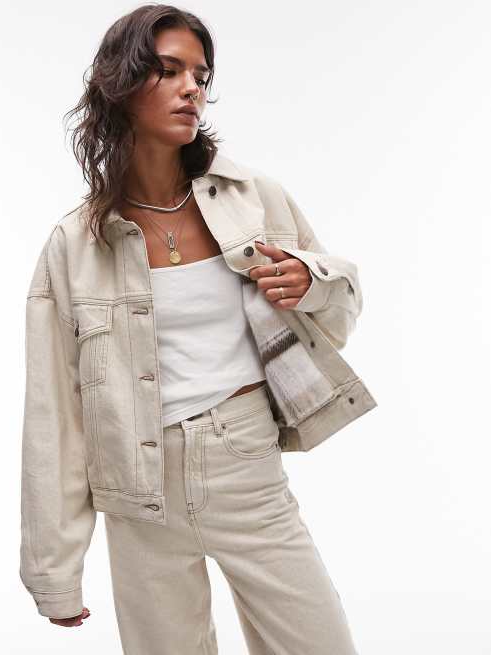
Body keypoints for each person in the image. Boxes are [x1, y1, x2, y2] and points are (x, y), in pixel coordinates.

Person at [19, 4, 377, 654]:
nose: (192, 88)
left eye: (200, 75)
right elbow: (54, 413)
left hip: (245, 462)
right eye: (168, 70)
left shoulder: (251, 197)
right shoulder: (74, 245)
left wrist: (311, 280)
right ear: (121, 84)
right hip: (137, 490)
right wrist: (54, 570)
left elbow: (341, 310)